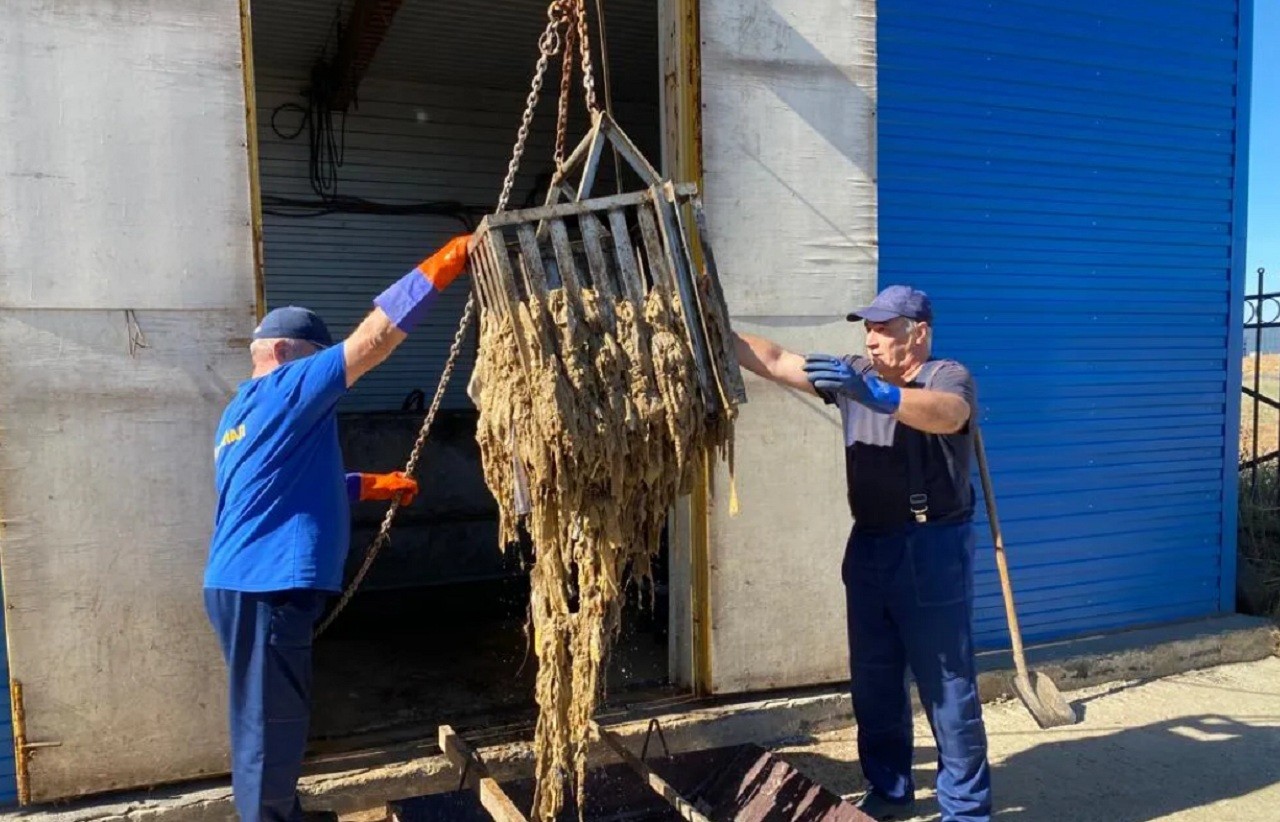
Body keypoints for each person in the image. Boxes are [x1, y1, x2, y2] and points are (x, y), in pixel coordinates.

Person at [203, 236, 471, 822]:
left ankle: (282, 809)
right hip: (266, 587)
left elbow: (283, 487)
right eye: (313, 358)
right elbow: (372, 340)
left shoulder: (239, 413)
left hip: (239, 584)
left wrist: (372, 484)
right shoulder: (288, 385)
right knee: (268, 725)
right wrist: (443, 266)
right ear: (282, 350)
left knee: (270, 712)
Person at [734, 285, 992, 822]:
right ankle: (891, 792)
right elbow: (778, 361)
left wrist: (878, 395)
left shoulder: (946, 376)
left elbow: (948, 414)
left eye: (884, 330)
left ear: (917, 333)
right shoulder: (855, 372)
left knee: (948, 689)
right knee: (873, 682)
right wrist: (715, 332)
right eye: (867, 330)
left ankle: (966, 811)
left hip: (932, 549)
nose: (871, 341)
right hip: (871, 545)